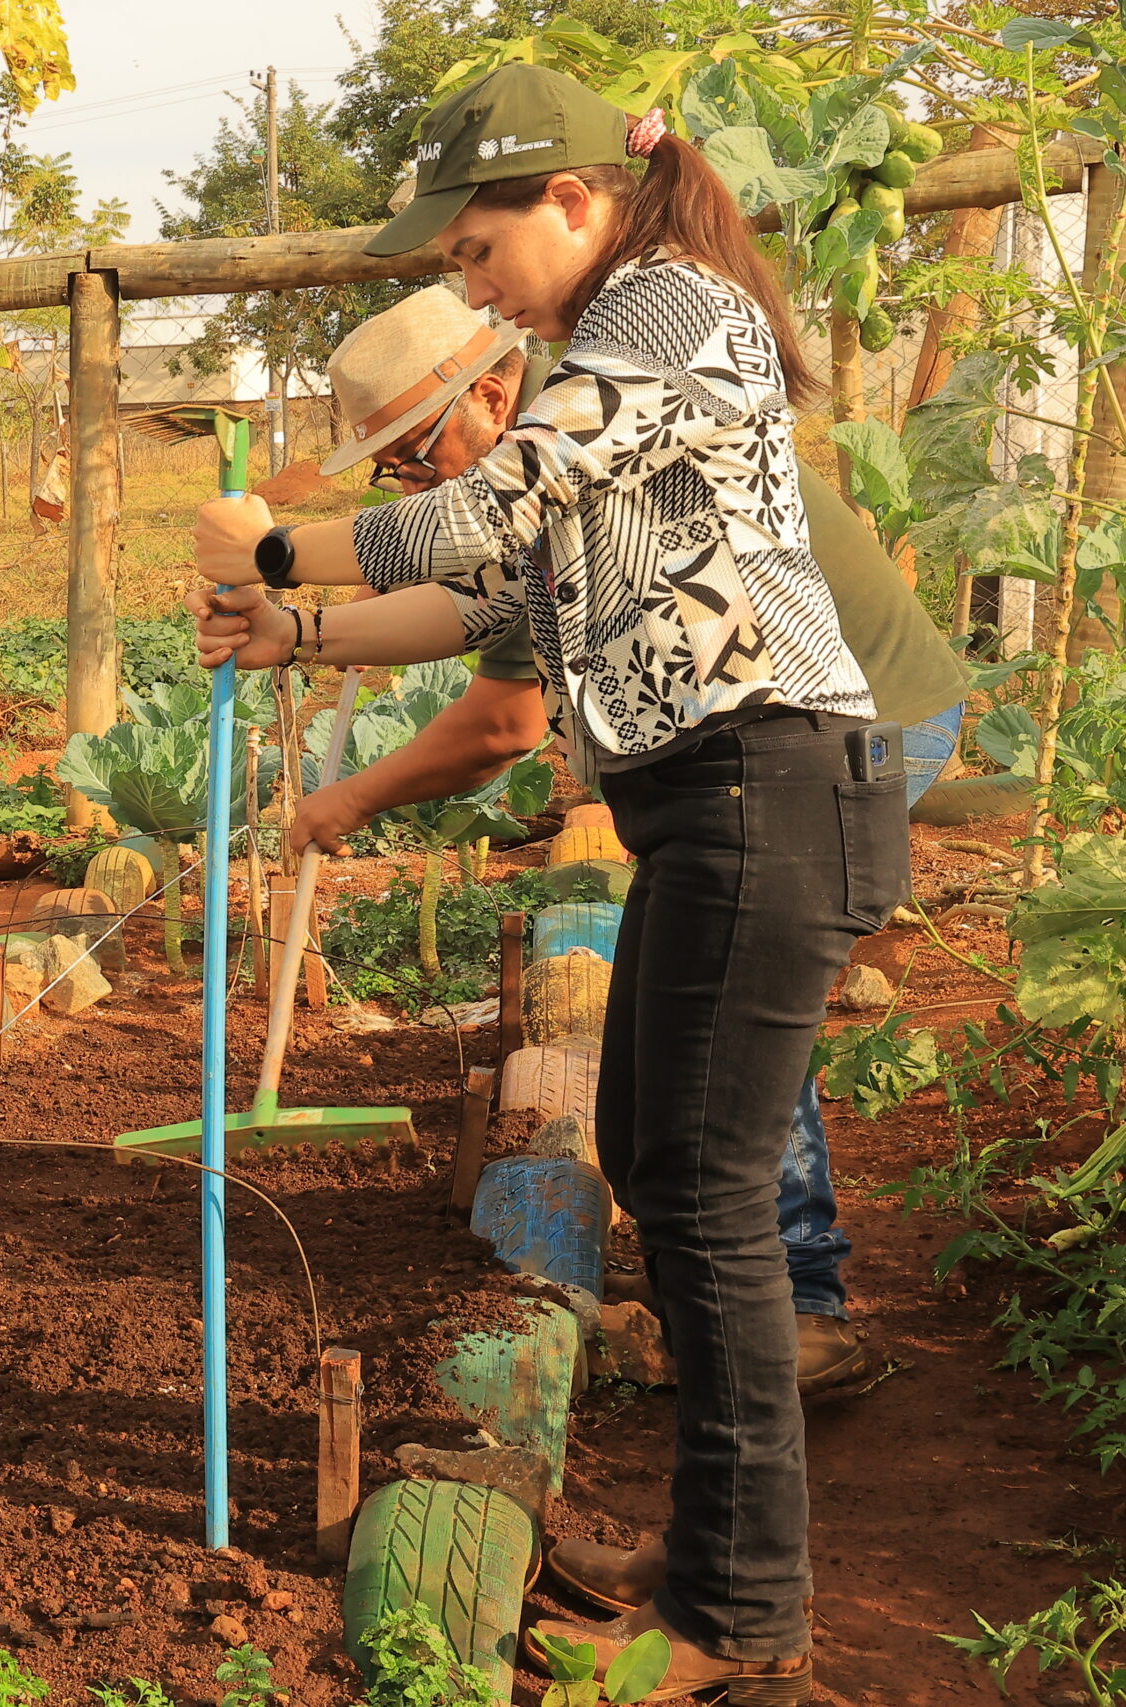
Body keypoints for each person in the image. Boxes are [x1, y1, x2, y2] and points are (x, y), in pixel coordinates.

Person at [192, 65, 895, 1694]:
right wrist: (291, 621)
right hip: (714, 808)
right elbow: (501, 585)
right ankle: (711, 1561)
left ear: (575, 202)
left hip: (762, 789)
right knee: (671, 1177)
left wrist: (284, 548)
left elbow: (496, 500)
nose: (468, 278)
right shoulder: (621, 340)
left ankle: (738, 1619)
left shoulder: (661, 308)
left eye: (480, 244)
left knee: (707, 1207)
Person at [244, 284, 965, 1407]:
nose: (412, 481)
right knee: (714, 1012)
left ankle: (798, 1309)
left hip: (853, 720)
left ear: (488, 393)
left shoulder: (581, 437)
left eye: (410, 451)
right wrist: (296, 630)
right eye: (392, 470)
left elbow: (499, 724)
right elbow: (470, 609)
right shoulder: (548, 456)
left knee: (732, 1015)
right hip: (764, 734)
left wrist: (292, 591)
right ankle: (734, 1297)